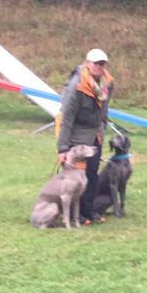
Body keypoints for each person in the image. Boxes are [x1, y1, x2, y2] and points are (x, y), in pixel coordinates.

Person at [56, 48, 113, 226]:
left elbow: (104, 109)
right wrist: (63, 148)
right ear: (87, 63)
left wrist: (102, 128)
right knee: (75, 178)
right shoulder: (76, 86)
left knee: (92, 174)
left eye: (102, 64)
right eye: (95, 63)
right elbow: (66, 118)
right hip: (76, 136)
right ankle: (75, 214)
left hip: (95, 135)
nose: (99, 67)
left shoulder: (107, 83)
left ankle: (89, 211)